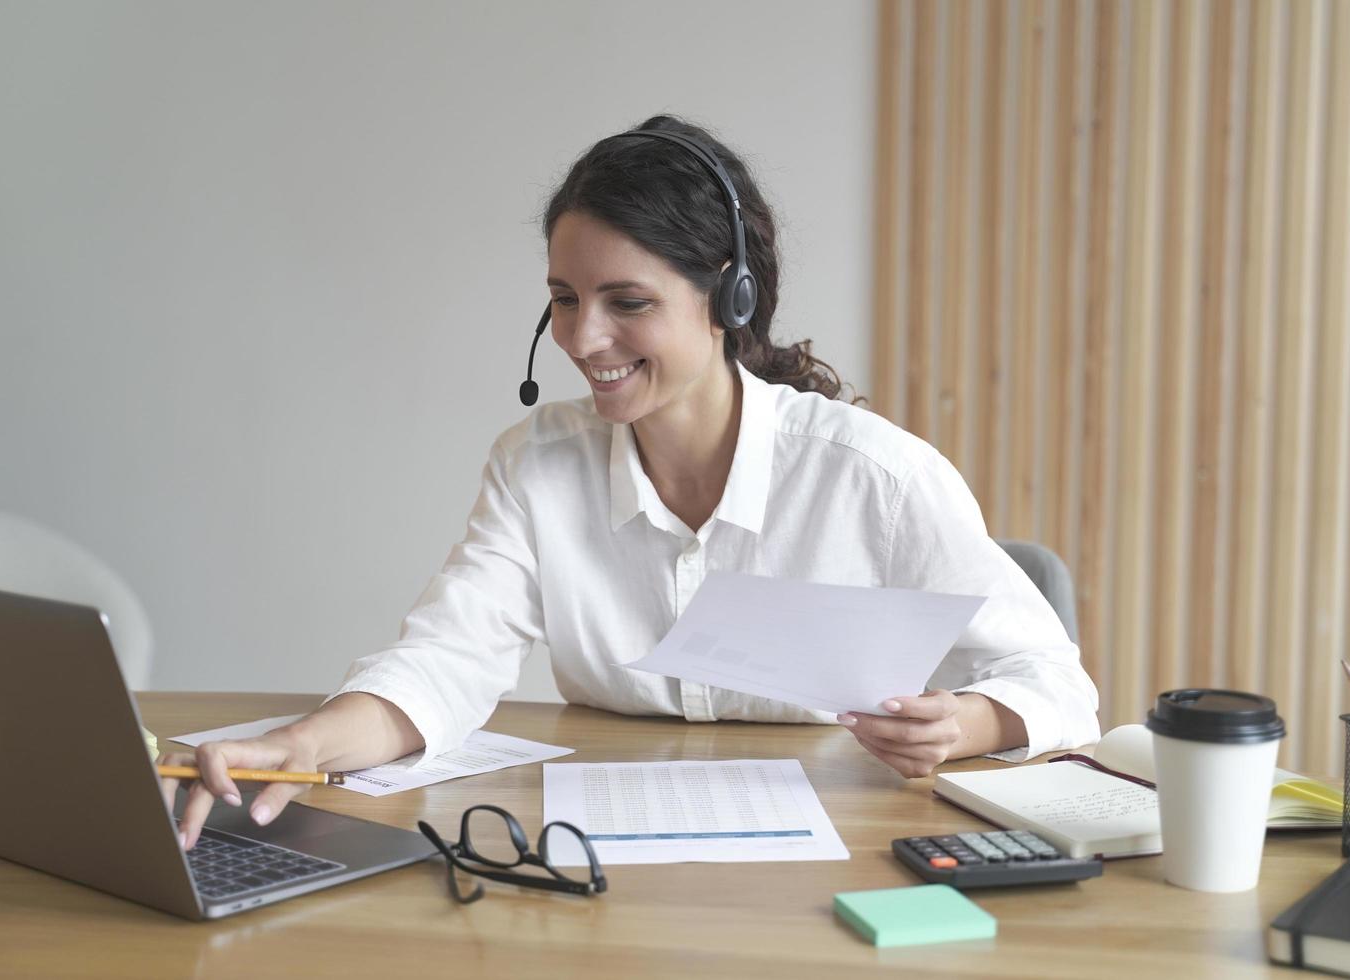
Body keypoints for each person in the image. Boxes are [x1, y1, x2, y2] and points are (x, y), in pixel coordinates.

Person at [164, 115, 1100, 851]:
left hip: (841, 855)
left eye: (628, 302)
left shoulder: (876, 479)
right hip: (602, 860)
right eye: (565, 299)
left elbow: (1059, 683)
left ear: (729, 298)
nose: (580, 340)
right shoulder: (538, 465)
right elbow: (447, 661)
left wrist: (967, 723)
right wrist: (308, 745)